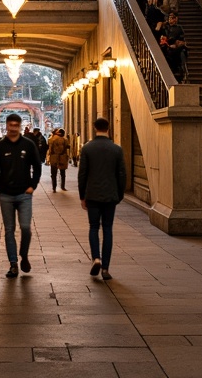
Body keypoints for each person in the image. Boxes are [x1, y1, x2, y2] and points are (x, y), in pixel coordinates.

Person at [0, 113, 42, 278]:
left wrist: (32, 186)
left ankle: (23, 254)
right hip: (5, 194)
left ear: (20, 126)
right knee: (9, 230)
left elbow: (37, 166)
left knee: (26, 228)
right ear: (6, 126)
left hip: (24, 194)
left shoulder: (28, 144)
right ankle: (13, 263)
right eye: (10, 125)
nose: (13, 128)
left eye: (16, 126)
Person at [78, 117, 127, 281]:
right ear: (108, 128)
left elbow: (82, 174)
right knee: (107, 229)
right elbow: (122, 174)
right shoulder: (116, 149)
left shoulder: (87, 148)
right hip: (110, 195)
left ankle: (96, 258)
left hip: (92, 195)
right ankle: (105, 268)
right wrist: (119, 194)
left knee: (93, 227)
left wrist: (82, 195)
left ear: (94, 127)